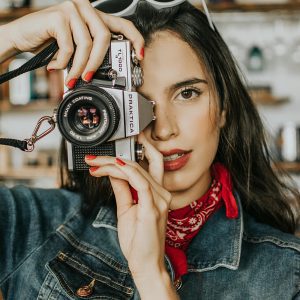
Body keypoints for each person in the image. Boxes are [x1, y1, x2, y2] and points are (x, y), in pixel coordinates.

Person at [0, 0, 299, 299]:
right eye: (136, 104)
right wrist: (10, 38)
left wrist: (152, 276)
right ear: (100, 117)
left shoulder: (287, 272)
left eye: (187, 93)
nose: (163, 129)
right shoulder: (33, 226)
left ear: (223, 107)